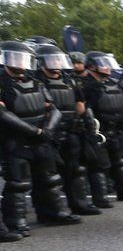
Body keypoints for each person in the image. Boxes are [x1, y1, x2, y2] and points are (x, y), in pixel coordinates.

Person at [0, 40, 82, 235]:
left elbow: (53, 108)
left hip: (42, 138)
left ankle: (54, 212)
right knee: (18, 183)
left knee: (50, 178)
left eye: (23, 59)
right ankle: (16, 221)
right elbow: (3, 114)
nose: (19, 63)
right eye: (15, 58)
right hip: (16, 140)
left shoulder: (35, 81)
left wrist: (47, 130)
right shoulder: (2, 83)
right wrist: (34, 131)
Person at [34, 43, 101, 216]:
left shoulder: (68, 79)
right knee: (48, 175)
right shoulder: (36, 81)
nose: (56, 63)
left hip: (71, 130)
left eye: (58, 59)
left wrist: (87, 124)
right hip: (49, 133)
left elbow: (80, 104)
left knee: (76, 170)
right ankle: (48, 211)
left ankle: (79, 204)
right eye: (52, 60)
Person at [83, 51, 123, 204]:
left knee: (120, 162)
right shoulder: (87, 86)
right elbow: (85, 110)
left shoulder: (115, 83)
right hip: (100, 131)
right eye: (103, 64)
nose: (107, 68)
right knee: (99, 166)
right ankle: (101, 197)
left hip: (117, 130)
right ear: (92, 66)